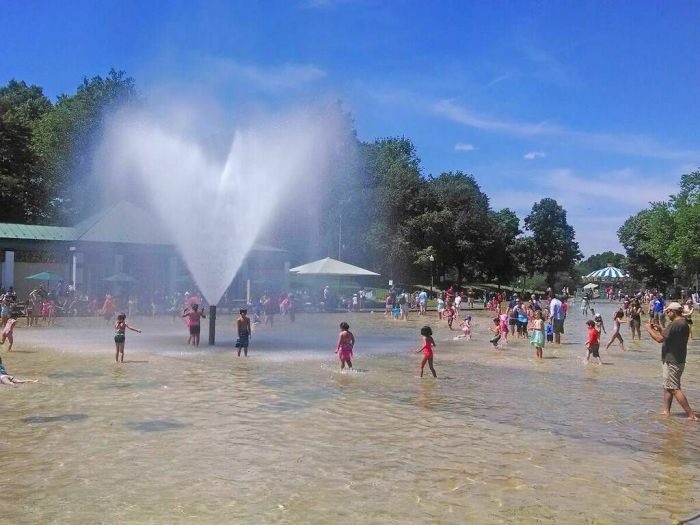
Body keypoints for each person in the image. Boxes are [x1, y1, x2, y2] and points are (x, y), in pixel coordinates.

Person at [646, 302, 697, 420]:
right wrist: (660, 328)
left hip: (673, 360)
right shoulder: (682, 323)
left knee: (674, 388)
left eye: (667, 311)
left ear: (673, 312)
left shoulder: (675, 324)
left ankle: (691, 415)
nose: (666, 314)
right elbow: (668, 335)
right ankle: (666, 412)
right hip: (675, 358)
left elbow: (659, 339)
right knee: (667, 386)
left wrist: (649, 329)